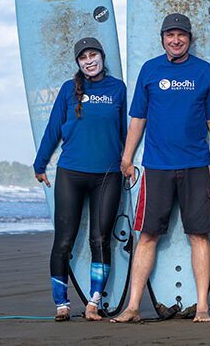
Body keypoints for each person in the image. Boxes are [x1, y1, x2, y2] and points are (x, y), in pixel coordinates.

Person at [111, 13, 210, 324]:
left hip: (195, 166)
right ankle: (134, 306)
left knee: (199, 235)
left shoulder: (203, 71)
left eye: (181, 35)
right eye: (170, 35)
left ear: (189, 39)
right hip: (157, 167)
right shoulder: (150, 70)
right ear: (162, 38)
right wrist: (127, 158)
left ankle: (203, 305)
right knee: (148, 235)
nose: (175, 40)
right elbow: (138, 119)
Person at [33, 37, 127, 322]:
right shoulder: (68, 90)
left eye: (93, 54)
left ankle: (94, 302)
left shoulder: (117, 89)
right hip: (71, 173)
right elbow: (53, 129)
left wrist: (129, 161)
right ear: (78, 62)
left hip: (108, 175)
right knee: (64, 240)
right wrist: (40, 163)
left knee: (100, 239)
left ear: (102, 57)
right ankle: (61, 303)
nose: (89, 60)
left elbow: (125, 132)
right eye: (83, 56)